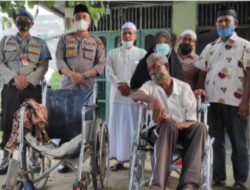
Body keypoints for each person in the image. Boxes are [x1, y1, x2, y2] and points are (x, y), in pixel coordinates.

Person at [194, 6, 250, 190]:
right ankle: (218, 177)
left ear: (235, 23)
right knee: (215, 143)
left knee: (238, 143)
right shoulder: (210, 47)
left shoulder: (245, 46)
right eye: (220, 21)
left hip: (235, 103)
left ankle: (240, 180)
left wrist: (245, 102)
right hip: (211, 103)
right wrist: (200, 95)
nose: (223, 23)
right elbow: (202, 72)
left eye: (227, 20)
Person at [132, 53, 206, 190]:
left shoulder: (184, 88)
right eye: (150, 69)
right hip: (158, 132)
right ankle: (157, 185)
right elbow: (136, 95)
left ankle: (188, 185)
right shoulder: (150, 85)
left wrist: (174, 122)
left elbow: (191, 121)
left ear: (167, 66)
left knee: (200, 128)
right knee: (167, 125)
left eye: (156, 67)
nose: (153, 71)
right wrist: (152, 100)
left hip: (182, 131)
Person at [0, 7, 51, 175]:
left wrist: (28, 79)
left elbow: (44, 65)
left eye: (25, 18)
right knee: (8, 121)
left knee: (34, 121)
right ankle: (6, 157)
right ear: (16, 22)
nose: (21, 20)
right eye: (19, 18)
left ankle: (33, 157)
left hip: (32, 89)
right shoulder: (5, 41)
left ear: (32, 23)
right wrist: (14, 77)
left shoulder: (40, 43)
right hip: (11, 88)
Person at [56, 4, 105, 173]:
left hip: (88, 90)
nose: (81, 20)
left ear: (89, 21)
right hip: (68, 90)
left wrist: (82, 76)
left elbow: (100, 65)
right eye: (78, 17)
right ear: (72, 20)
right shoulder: (64, 39)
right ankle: (64, 160)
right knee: (65, 124)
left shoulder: (97, 42)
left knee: (89, 125)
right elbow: (59, 61)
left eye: (84, 17)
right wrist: (71, 75)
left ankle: (93, 162)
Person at [106, 22, 146, 171]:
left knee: (134, 129)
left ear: (135, 35)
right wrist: (119, 85)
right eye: (124, 33)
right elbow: (108, 72)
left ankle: (135, 160)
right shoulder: (112, 53)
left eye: (130, 33)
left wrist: (128, 84)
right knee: (117, 128)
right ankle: (119, 160)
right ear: (120, 34)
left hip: (133, 97)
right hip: (117, 97)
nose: (127, 35)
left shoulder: (141, 54)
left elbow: (142, 74)